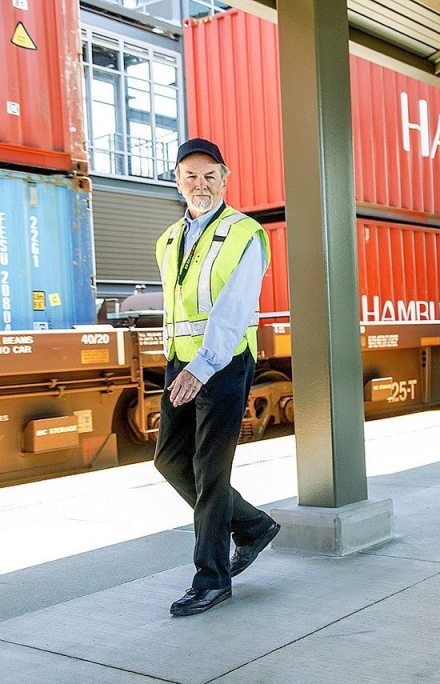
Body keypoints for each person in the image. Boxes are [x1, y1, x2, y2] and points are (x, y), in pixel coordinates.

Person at [154, 138, 280, 617]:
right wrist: (179, 363)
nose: (200, 185)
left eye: (210, 176)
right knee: (169, 461)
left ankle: (212, 578)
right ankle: (252, 526)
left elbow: (234, 307)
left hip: (222, 364)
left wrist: (203, 366)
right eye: (191, 176)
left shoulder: (244, 232)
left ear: (225, 179)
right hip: (179, 363)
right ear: (178, 181)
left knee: (211, 472)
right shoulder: (167, 240)